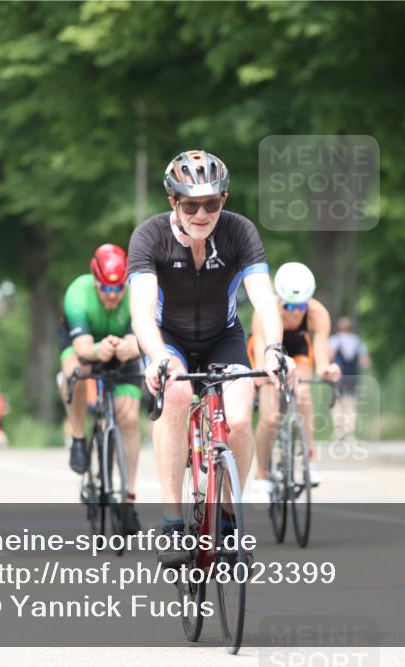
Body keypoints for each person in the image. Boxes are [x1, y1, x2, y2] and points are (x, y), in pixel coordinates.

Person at [127, 149, 294, 565]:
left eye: (212, 203)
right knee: (178, 396)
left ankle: (228, 519)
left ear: (225, 200)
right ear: (173, 203)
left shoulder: (240, 233)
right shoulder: (149, 237)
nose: (201, 214)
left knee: (238, 420)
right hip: (170, 341)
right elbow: (142, 312)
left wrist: (274, 349)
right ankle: (171, 520)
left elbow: (263, 298)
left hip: (224, 337)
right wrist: (156, 358)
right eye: (190, 204)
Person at [58, 243, 143, 532]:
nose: (112, 295)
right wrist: (98, 349)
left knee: (129, 419)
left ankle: (129, 499)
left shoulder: (136, 292)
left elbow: (143, 337)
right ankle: (79, 437)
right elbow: (81, 348)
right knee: (74, 374)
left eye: (117, 289)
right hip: (86, 345)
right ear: (95, 282)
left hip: (123, 349)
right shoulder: (77, 294)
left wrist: (129, 347)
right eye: (105, 289)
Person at [250, 262, 341, 501]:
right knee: (270, 418)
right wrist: (263, 376)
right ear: (279, 299)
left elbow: (319, 356)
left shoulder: (318, 313)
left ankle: (307, 460)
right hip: (269, 347)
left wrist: (327, 369)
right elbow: (261, 354)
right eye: (288, 305)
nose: (294, 312)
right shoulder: (265, 311)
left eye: (300, 306)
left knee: (303, 393)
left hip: (298, 347)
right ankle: (261, 476)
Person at [328, 316, 372, 441]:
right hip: (353, 375)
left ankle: (339, 430)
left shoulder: (335, 340)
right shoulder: (357, 341)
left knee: (337, 402)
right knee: (351, 403)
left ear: (339, 328)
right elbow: (366, 362)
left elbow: (329, 355)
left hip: (338, 375)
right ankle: (349, 432)